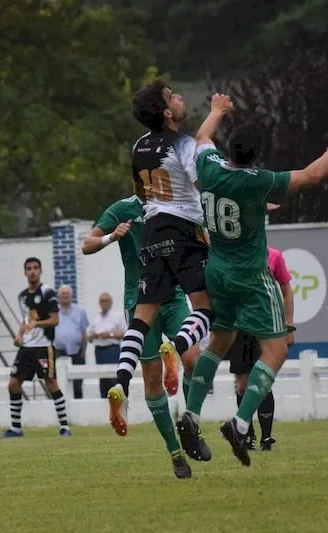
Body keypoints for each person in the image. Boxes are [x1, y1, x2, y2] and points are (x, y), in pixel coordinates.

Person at [176, 93, 328, 467]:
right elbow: (314, 175)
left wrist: (216, 112)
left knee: (219, 342)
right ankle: (241, 424)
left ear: (228, 148)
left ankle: (192, 415)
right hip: (251, 277)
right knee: (275, 352)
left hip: (217, 272)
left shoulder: (210, 168)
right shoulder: (259, 181)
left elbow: (200, 139)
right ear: (258, 155)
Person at [113, 80, 216, 461]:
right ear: (166, 112)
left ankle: (120, 380)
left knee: (140, 321)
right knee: (206, 310)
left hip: (152, 232)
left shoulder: (139, 146)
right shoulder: (183, 144)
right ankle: (178, 346)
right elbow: (205, 183)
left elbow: (142, 195)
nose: (179, 97)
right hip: (184, 231)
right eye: (173, 95)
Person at [82, 194, 201, 479]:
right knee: (150, 377)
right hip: (140, 299)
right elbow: (87, 244)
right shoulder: (122, 209)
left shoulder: (176, 203)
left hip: (172, 298)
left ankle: (190, 426)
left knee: (194, 360)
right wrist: (112, 236)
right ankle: (175, 452)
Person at [225, 246, 295, 451]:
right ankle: (247, 433)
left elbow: (286, 291)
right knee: (242, 384)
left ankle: (267, 437)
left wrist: (289, 326)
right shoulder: (232, 255)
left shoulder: (274, 256)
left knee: (263, 381)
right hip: (238, 328)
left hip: (265, 327)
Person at [0, 258, 71, 438]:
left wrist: (36, 325)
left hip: (43, 346)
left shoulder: (47, 292)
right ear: (25, 273)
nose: (32, 271)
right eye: (29, 269)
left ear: (40, 271)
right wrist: (19, 336)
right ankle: (16, 429)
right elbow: (27, 321)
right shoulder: (22, 296)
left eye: (35, 268)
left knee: (51, 383)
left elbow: (55, 320)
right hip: (27, 347)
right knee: (13, 384)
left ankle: (64, 426)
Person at [53, 285, 89, 399]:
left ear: (71, 295)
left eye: (67, 293)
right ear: (58, 296)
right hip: (59, 352)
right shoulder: (54, 311)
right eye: (63, 293)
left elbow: (84, 333)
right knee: (59, 384)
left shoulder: (80, 311)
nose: (65, 295)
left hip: (77, 353)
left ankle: (79, 412)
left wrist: (83, 352)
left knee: (78, 384)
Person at [86, 293, 126, 398]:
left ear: (111, 302)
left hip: (112, 350)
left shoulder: (118, 316)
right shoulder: (96, 318)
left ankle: (117, 402)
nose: (104, 303)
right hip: (99, 351)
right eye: (102, 301)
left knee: (113, 378)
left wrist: (110, 335)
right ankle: (104, 403)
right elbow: (88, 335)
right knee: (103, 380)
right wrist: (94, 335)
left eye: (106, 301)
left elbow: (124, 334)